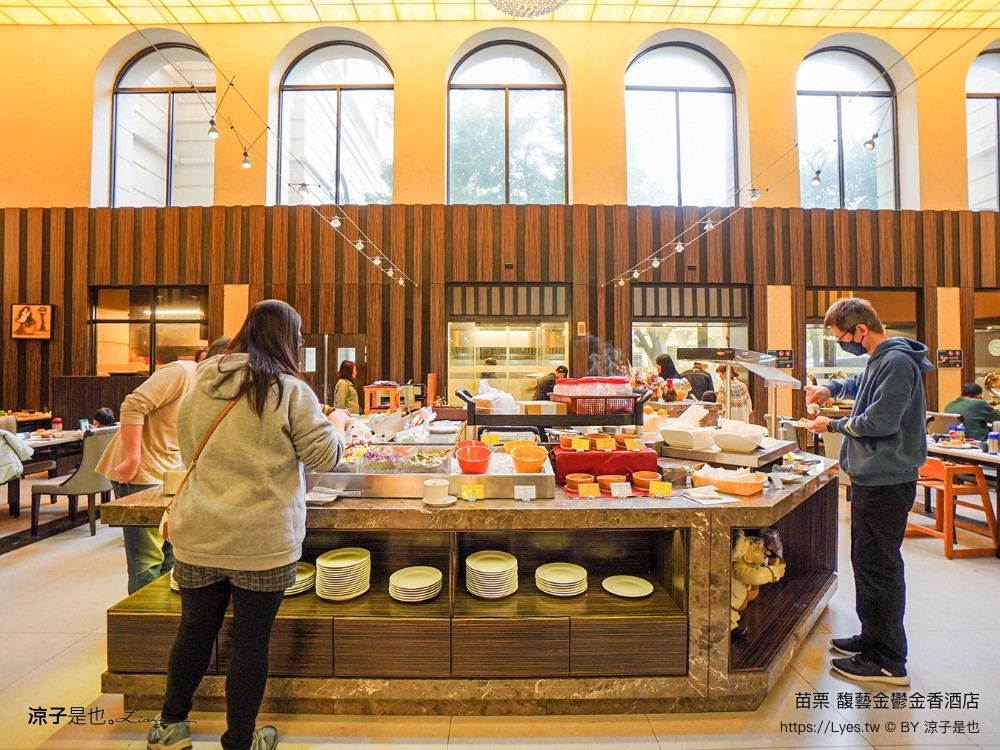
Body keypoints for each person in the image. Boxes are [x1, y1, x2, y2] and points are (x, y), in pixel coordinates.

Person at [146, 300, 350, 750]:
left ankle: (170, 726)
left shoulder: (200, 384)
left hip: (199, 531)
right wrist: (337, 423)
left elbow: (188, 449)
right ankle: (240, 739)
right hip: (261, 538)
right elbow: (324, 457)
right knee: (250, 641)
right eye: (298, 337)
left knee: (193, 631)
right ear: (286, 339)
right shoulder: (288, 390)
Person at [805, 297, 933, 687]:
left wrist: (832, 425)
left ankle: (888, 660)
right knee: (866, 562)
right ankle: (872, 638)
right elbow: (860, 384)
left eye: (842, 337)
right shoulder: (881, 360)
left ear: (861, 330)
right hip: (871, 479)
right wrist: (830, 387)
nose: (843, 344)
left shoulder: (896, 361)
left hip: (887, 481)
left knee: (880, 568)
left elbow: (880, 421)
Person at [97, 336, 230, 594]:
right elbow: (133, 405)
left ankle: (163, 613)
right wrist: (132, 457)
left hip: (172, 474)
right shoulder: (182, 372)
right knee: (147, 560)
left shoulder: (213, 389)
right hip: (142, 471)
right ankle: (143, 617)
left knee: (172, 555)